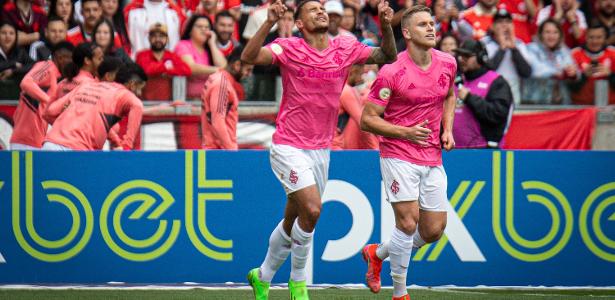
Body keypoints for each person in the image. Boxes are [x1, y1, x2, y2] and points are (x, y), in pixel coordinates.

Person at [241, 0, 396, 298]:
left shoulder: (346, 48)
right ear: (299, 24)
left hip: (321, 150)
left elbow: (388, 55)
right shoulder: (288, 47)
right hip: (288, 144)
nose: (321, 11)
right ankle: (298, 282)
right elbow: (249, 56)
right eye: (312, 9)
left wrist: (386, 25)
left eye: (322, 8)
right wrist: (269, 22)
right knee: (312, 210)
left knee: (293, 219)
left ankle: (262, 275)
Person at [359, 5, 456, 300]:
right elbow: (368, 119)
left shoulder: (448, 62)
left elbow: (450, 94)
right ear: (407, 33)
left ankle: (378, 253)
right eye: (424, 24)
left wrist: (447, 129)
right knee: (407, 222)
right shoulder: (392, 72)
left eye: (432, 23)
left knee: (434, 230)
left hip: (431, 155)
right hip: (398, 152)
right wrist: (405, 132)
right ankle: (400, 293)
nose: (431, 28)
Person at [42, 59, 146, 150]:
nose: (140, 93)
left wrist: (116, 141)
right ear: (132, 84)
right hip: (77, 151)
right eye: (140, 89)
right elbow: (138, 105)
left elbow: (50, 112)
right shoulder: (122, 94)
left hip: (50, 144)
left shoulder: (86, 86)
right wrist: (126, 146)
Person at [9, 41, 74, 150]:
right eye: (71, 59)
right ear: (61, 57)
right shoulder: (47, 66)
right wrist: (50, 101)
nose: (73, 64)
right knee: (21, 168)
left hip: (37, 141)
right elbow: (26, 82)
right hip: (24, 141)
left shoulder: (57, 76)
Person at [454, 39, 513, 148]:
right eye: (460, 55)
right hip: (453, 150)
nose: (461, 59)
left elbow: (497, 114)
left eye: (467, 56)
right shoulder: (456, 80)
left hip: (484, 150)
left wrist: (469, 98)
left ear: (481, 57)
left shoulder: (496, 82)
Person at [201, 46, 252, 149]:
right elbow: (217, 122)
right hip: (220, 152)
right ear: (237, 65)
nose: (249, 75)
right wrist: (231, 151)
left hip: (215, 150)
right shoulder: (222, 84)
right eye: (248, 70)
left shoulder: (215, 77)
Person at [482, 9, 532, 104]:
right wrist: (502, 48)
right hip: (489, 97)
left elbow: (526, 73)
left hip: (514, 97)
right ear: (492, 26)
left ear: (513, 26)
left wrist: (514, 49)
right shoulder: (484, 43)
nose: (504, 25)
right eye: (500, 22)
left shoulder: (519, 44)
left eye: (508, 22)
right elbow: (486, 72)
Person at [524, 18, 578, 104]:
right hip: (535, 102)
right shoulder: (531, 48)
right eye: (547, 32)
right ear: (541, 34)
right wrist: (560, 73)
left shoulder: (564, 51)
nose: (551, 36)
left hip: (561, 103)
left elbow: (576, 72)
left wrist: (573, 74)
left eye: (555, 32)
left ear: (560, 35)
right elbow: (536, 71)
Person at [175, 15, 227, 99]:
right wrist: (216, 70)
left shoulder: (210, 49)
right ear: (190, 30)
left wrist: (212, 43)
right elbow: (190, 67)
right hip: (188, 101)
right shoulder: (183, 45)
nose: (204, 29)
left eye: (207, 27)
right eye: (199, 26)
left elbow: (223, 66)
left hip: (210, 100)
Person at [136, 23, 191, 101]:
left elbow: (187, 70)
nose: (158, 39)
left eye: (161, 36)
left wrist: (165, 70)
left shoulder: (172, 56)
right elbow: (147, 69)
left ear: (167, 39)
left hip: (167, 103)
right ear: (149, 38)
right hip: (145, 103)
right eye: (154, 36)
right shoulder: (141, 55)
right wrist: (166, 67)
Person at [570, 24, 615, 105]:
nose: (594, 41)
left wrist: (610, 75)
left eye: (599, 37)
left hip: (610, 107)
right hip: (581, 107)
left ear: (605, 38)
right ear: (585, 37)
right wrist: (584, 76)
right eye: (591, 37)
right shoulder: (574, 54)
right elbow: (569, 87)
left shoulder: (613, 53)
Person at [0, 21, 34, 100]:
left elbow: (34, 65)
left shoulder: (20, 51)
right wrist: (13, 63)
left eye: (11, 33)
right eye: (3, 33)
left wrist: (14, 71)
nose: (7, 36)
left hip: (16, 95)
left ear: (16, 36)